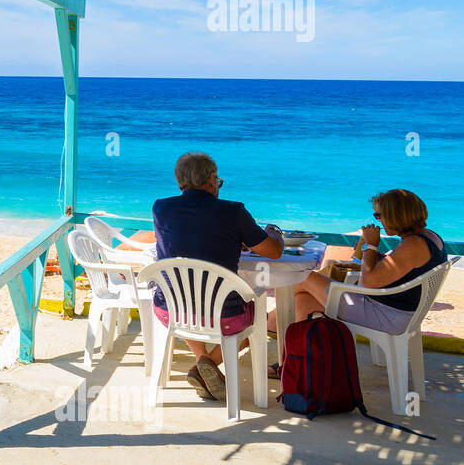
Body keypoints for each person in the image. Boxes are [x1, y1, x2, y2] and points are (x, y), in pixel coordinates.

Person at [151, 152, 283, 401]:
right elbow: (273, 251)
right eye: (218, 180)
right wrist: (274, 232)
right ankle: (208, 364)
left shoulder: (160, 207)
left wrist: (231, 240)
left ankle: (202, 362)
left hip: (170, 310)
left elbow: (189, 236)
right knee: (259, 319)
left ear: (181, 182)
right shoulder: (233, 211)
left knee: (188, 299)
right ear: (212, 179)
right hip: (225, 317)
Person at [277, 188, 446, 338]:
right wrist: (378, 256)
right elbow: (404, 269)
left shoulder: (413, 245)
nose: (378, 220)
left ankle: (271, 328)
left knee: (302, 278)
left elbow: (368, 283)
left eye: (379, 215)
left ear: (396, 216)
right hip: (396, 312)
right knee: (302, 301)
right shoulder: (429, 236)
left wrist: (370, 245)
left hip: (386, 316)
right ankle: (297, 360)